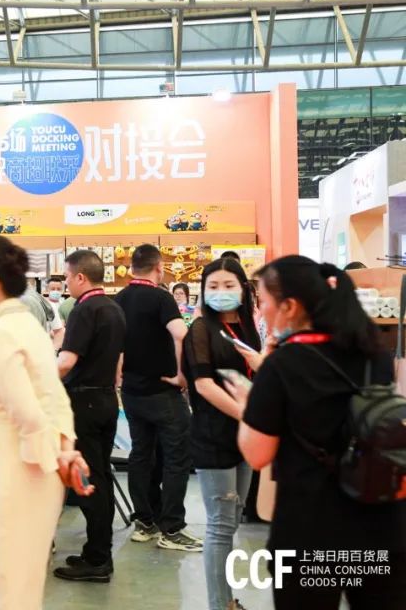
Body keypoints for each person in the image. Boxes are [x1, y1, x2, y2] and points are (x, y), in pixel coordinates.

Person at [230, 257, 406, 610]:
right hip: (382, 525)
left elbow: (257, 454)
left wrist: (250, 407)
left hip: (310, 530)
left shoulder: (282, 366)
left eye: (263, 301)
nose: (260, 311)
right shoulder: (374, 355)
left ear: (290, 306)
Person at [0, 236, 91, 610]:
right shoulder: (26, 323)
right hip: (33, 463)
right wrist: (63, 452)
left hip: (14, 462)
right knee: (22, 579)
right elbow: (54, 400)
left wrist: (48, 455)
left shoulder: (0, 332)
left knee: (9, 579)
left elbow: (27, 410)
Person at [182, 259, 262, 610]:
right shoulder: (201, 329)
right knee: (219, 525)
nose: (220, 292)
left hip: (245, 438)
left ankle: (227, 599)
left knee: (232, 521)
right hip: (214, 436)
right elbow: (203, 385)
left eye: (228, 285)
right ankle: (220, 605)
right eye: (212, 286)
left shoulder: (247, 329)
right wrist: (248, 416)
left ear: (243, 289)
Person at [114, 244, 202, 551]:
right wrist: (181, 375)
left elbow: (116, 346)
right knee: (177, 458)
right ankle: (172, 528)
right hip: (163, 392)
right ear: (159, 268)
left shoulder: (119, 299)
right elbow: (182, 334)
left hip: (132, 392)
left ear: (131, 268)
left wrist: (119, 377)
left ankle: (145, 522)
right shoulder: (162, 298)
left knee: (141, 455)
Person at [53, 250, 126, 583]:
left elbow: (66, 361)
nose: (66, 283)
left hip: (84, 402)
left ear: (80, 277)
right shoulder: (113, 308)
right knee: (102, 476)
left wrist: (39, 384)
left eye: (67, 277)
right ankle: (98, 550)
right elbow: (119, 361)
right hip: (106, 398)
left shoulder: (84, 309)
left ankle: (98, 559)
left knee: (89, 480)